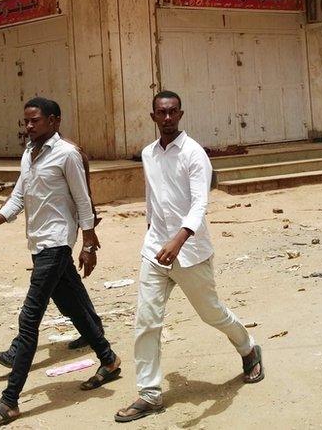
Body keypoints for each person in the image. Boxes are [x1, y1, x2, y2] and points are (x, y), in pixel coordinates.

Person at [115, 91, 265, 423]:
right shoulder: (148, 154)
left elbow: (200, 203)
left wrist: (179, 239)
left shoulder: (194, 154)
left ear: (180, 114)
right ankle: (150, 393)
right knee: (146, 321)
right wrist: (153, 232)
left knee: (212, 314)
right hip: (155, 250)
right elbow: (152, 199)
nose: (167, 118)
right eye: (160, 113)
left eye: (172, 112)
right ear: (153, 116)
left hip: (191, 252)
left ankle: (248, 347)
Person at [0, 97, 121, 427]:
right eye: (25, 121)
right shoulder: (28, 154)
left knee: (29, 318)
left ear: (54, 121)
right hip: (38, 245)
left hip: (56, 244)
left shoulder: (67, 154)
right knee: (75, 307)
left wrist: (89, 243)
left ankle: (9, 402)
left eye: (35, 121)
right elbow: (18, 198)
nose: (28, 126)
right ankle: (108, 360)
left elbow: (83, 200)